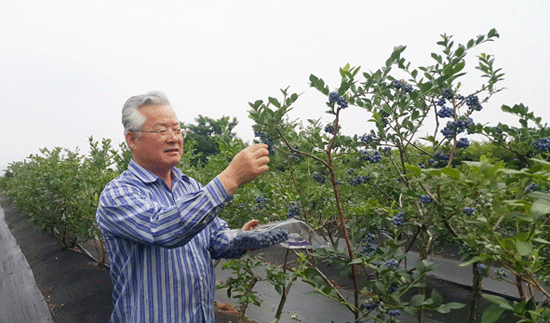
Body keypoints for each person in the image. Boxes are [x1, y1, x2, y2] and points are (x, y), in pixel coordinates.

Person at [96, 91, 270, 323]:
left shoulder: (190, 187)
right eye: (161, 130)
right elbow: (162, 228)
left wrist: (240, 238)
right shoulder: (117, 194)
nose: (173, 138)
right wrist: (229, 178)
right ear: (132, 140)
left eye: (177, 130)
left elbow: (214, 238)